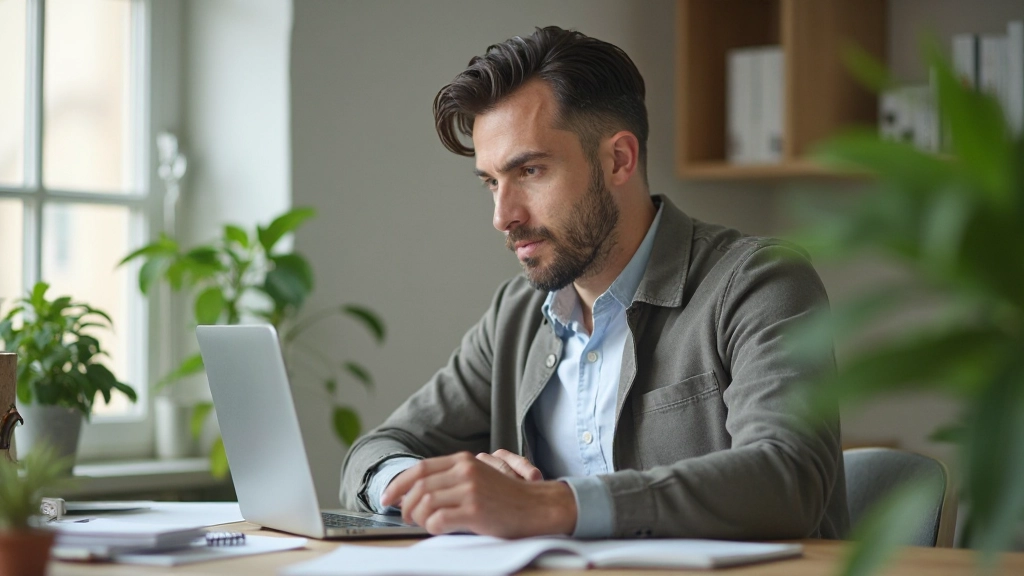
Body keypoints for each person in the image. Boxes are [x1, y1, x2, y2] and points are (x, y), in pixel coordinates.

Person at [340, 26, 848, 540]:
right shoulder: (515, 315)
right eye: (492, 182)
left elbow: (786, 478)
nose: (502, 215)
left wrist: (549, 505)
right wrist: (421, 485)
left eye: (530, 171)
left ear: (618, 159)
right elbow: (376, 450)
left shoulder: (758, 283)